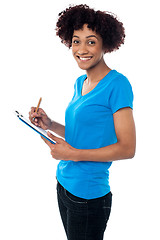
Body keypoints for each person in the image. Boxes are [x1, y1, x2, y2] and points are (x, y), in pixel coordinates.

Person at [29, 4, 136, 240]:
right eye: (76, 41)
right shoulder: (80, 82)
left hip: (88, 196)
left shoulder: (117, 85)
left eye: (91, 41)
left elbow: (127, 149)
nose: (81, 49)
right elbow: (84, 133)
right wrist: (50, 124)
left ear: (105, 43)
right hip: (64, 184)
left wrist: (72, 154)